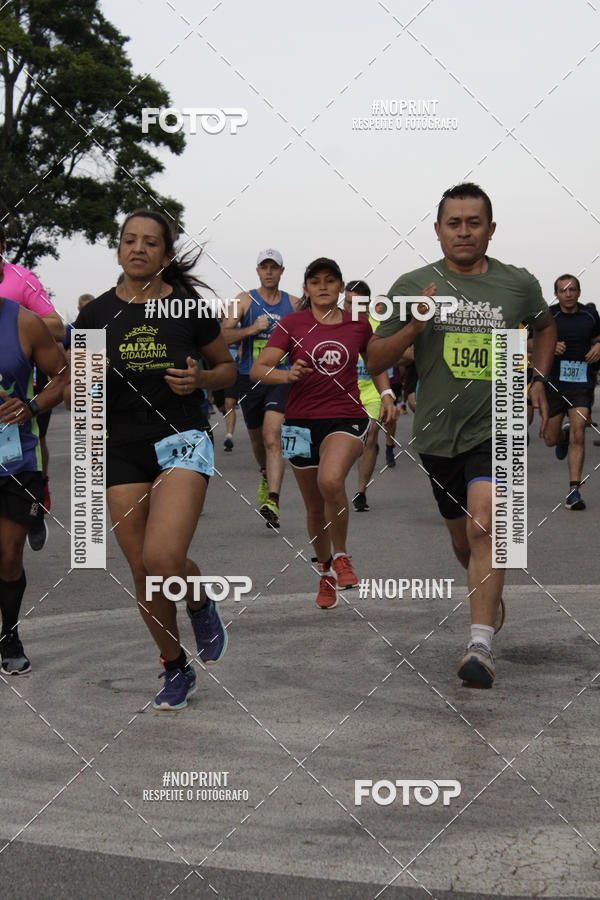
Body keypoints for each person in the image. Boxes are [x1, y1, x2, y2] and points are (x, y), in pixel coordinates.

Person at [368, 182, 556, 689]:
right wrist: (414, 326)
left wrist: (536, 378)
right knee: (464, 538)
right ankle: (488, 595)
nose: (465, 231)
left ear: (491, 229)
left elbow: (545, 327)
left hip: (502, 423)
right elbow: (374, 357)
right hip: (438, 434)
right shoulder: (409, 284)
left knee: (486, 526)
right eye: (455, 223)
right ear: (437, 230)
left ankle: (479, 647)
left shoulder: (519, 284)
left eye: (475, 222)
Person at [72, 209, 237, 710]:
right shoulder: (95, 315)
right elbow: (78, 392)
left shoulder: (188, 308)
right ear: (119, 249)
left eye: (150, 242)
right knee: (144, 569)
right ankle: (173, 665)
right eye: (129, 241)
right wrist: (82, 389)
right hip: (120, 447)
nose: (138, 248)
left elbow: (227, 369)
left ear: (165, 254)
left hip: (182, 438)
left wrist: (201, 381)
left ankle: (198, 598)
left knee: (162, 559)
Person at [251, 258, 372, 608]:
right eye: (315, 281)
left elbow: (377, 361)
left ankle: (342, 556)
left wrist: (389, 392)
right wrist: (285, 376)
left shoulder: (358, 324)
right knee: (314, 507)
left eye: (330, 280)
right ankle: (324, 573)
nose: (322, 286)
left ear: (340, 288)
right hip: (299, 422)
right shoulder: (292, 323)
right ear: (305, 288)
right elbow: (260, 368)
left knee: (331, 481)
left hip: (345, 416)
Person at [0, 298, 68, 673]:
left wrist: (31, 406)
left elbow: (64, 374)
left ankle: (9, 634)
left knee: (8, 557)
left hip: (17, 462)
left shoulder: (25, 322)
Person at [221, 250, 301, 528]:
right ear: (257, 271)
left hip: (279, 378)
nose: (269, 272)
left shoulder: (294, 303)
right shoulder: (244, 300)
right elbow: (221, 334)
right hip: (249, 378)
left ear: (281, 271)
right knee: (257, 441)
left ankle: (274, 501)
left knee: (272, 437)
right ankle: (266, 473)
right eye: (264, 267)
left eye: (274, 267)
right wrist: (250, 329)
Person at [0, 224, 66, 552]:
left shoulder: (20, 278)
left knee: (33, 439)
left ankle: (37, 497)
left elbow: (56, 325)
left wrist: (19, 319)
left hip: (24, 379)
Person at [542, 275, 600, 509]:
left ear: (578, 291)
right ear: (556, 294)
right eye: (563, 290)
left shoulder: (589, 315)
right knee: (550, 439)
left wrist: (598, 345)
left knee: (579, 434)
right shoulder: (548, 316)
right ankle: (561, 436)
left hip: (582, 383)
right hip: (554, 384)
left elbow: (598, 337)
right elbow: (526, 342)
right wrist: (548, 345)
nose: (568, 294)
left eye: (572, 289)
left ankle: (574, 491)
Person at [342, 281, 396, 511]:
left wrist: (387, 393)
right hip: (343, 391)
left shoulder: (378, 325)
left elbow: (387, 356)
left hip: (372, 390)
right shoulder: (335, 323)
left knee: (371, 434)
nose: (352, 308)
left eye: (358, 304)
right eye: (348, 303)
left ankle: (361, 491)